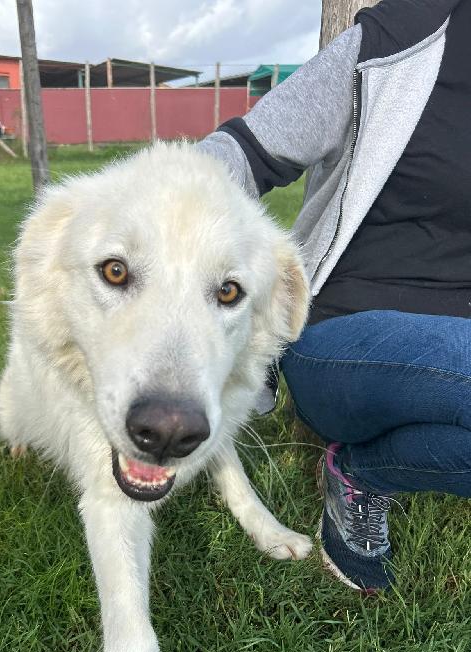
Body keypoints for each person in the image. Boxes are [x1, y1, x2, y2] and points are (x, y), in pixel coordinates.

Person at [198, 0, 471, 592]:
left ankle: (364, 474)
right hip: (343, 331)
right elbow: (247, 151)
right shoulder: (401, 39)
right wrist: (137, 207)